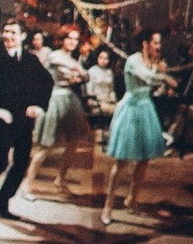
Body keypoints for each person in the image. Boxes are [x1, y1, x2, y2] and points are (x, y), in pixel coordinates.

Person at [0, 21, 56, 222]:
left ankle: (1, 203)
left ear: (22, 36)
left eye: (13, 32)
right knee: (0, 161)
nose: (8, 36)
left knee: (20, 165)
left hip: (24, 121)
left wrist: (38, 105)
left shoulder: (31, 60)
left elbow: (47, 82)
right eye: (6, 31)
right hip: (4, 120)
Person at [100, 27, 171, 226]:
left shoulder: (153, 62)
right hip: (131, 109)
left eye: (159, 43)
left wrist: (162, 76)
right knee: (122, 161)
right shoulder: (133, 60)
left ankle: (132, 199)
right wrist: (163, 75)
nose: (158, 46)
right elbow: (147, 79)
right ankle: (108, 205)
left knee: (144, 159)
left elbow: (153, 87)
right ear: (145, 43)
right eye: (155, 42)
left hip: (146, 108)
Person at [34, 21, 92, 199]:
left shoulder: (72, 59)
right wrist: (77, 72)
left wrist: (78, 75)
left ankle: (61, 178)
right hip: (54, 98)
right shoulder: (55, 55)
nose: (73, 42)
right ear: (62, 39)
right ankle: (26, 183)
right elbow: (72, 70)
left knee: (73, 142)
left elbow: (86, 76)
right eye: (69, 38)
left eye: (75, 39)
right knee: (46, 145)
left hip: (69, 100)